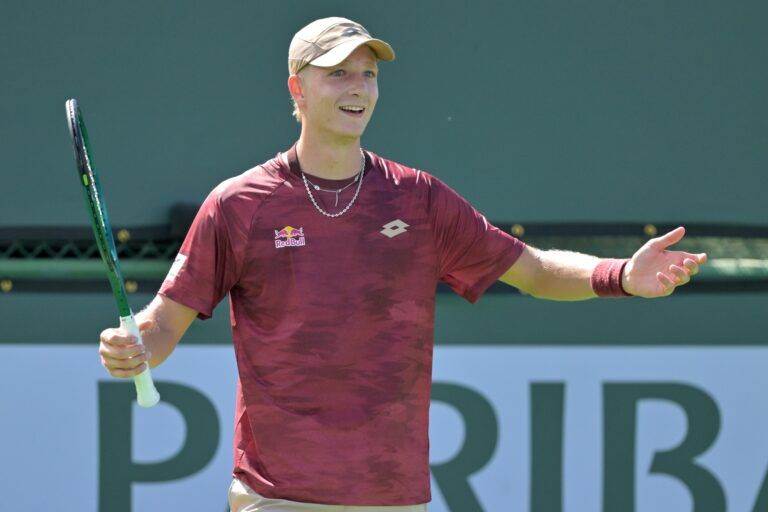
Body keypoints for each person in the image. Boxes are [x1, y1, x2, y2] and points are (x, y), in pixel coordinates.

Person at [98, 16, 708, 512]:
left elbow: (536, 270)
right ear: (297, 89)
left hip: (395, 498)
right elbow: (164, 324)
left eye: (367, 74)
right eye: (338, 74)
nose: (358, 88)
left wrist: (622, 276)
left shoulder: (418, 198)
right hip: (276, 499)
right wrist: (136, 346)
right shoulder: (239, 205)